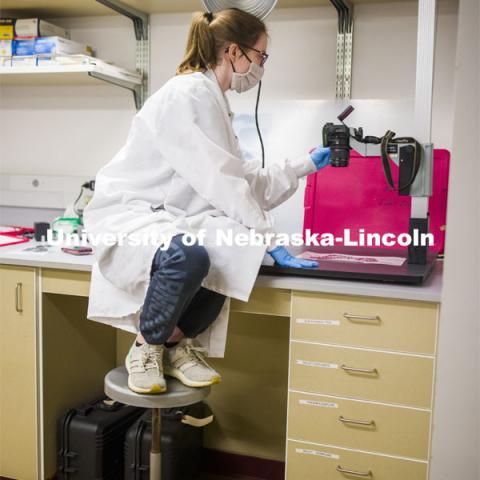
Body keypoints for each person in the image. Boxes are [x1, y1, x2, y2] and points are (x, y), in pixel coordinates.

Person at [82, 8, 330, 395]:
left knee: (235, 247)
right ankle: (146, 347)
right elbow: (225, 183)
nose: (262, 66)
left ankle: (173, 344)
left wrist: (303, 166)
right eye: (261, 56)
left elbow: (243, 180)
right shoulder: (189, 94)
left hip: (174, 218)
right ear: (234, 51)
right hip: (135, 213)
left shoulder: (215, 103)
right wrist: (271, 238)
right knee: (190, 257)